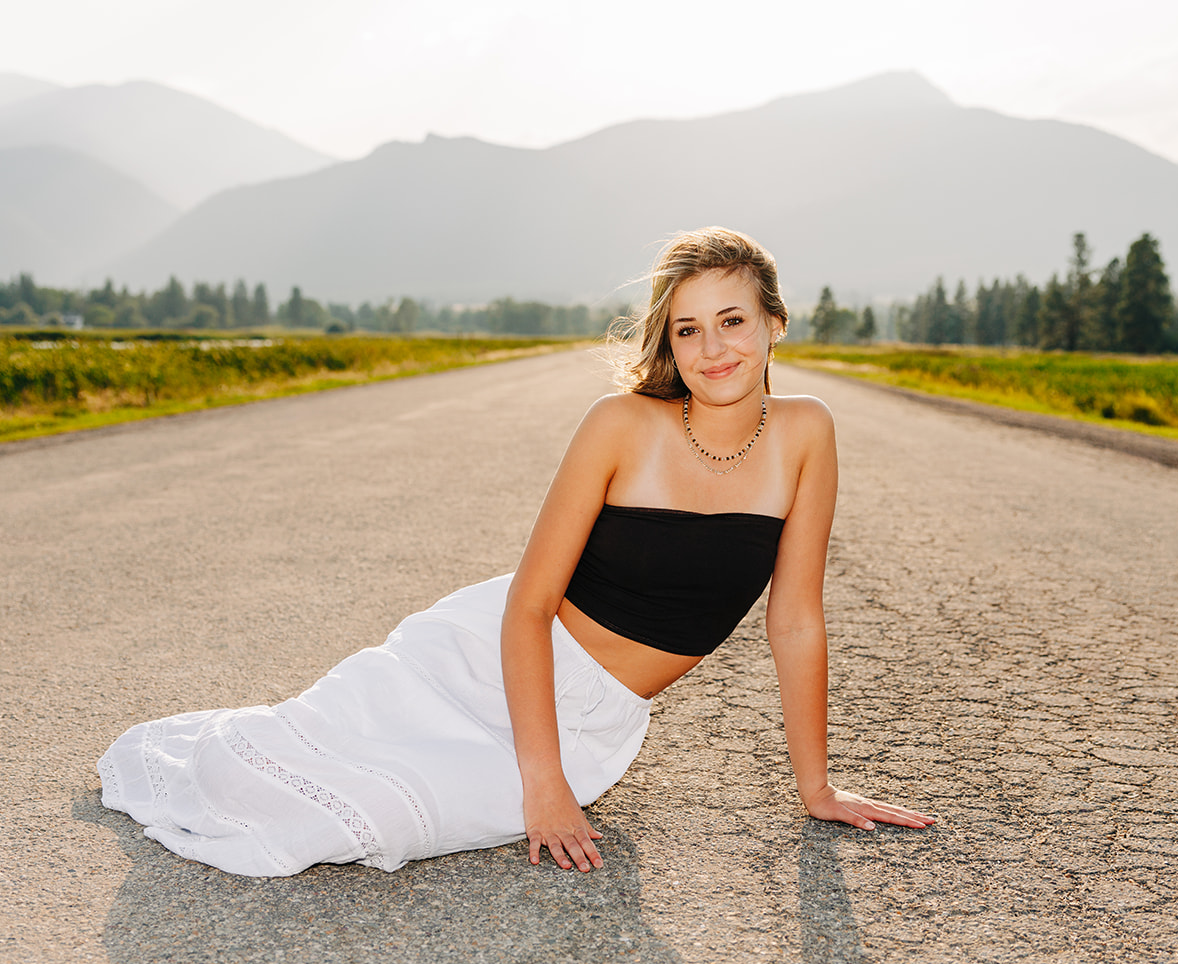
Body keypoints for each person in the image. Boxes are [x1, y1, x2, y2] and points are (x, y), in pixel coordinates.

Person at [98, 227, 935, 878]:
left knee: (389, 819)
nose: (713, 348)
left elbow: (794, 620)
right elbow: (528, 607)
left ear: (773, 324)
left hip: (596, 721)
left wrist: (815, 788)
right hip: (485, 663)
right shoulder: (620, 426)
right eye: (688, 329)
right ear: (668, 343)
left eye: (733, 321)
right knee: (275, 793)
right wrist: (542, 781)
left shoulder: (806, 434)